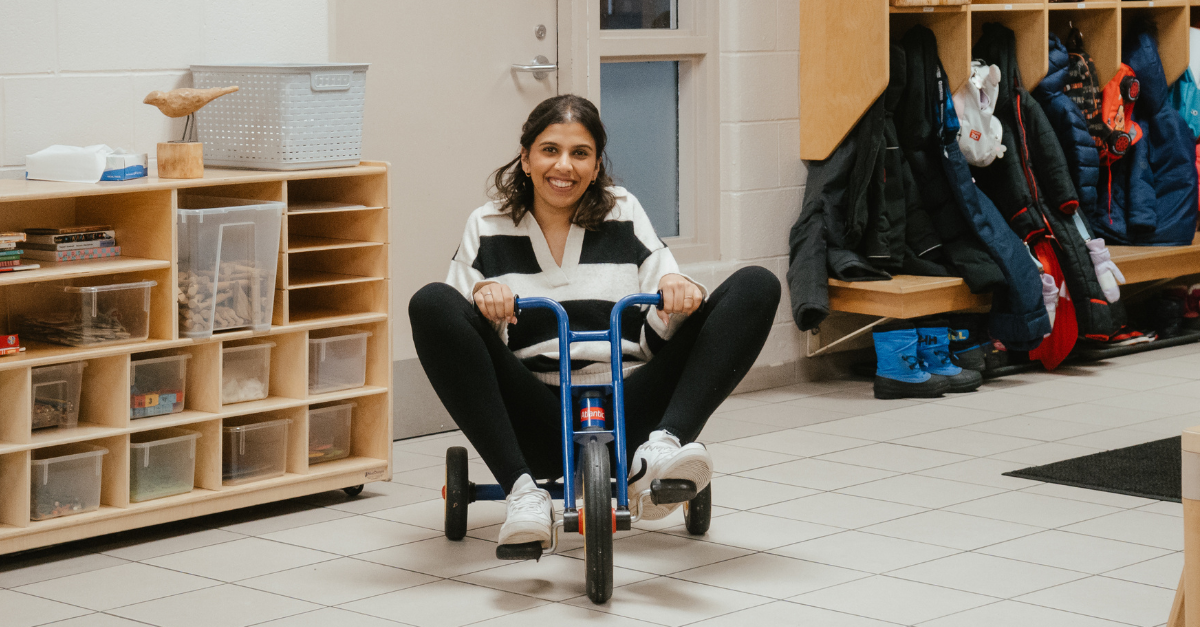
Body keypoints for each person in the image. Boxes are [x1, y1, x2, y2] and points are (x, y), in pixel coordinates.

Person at [409, 94, 780, 547]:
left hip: (629, 405)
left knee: (757, 284)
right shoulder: (487, 224)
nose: (564, 166)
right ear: (525, 158)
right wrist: (486, 299)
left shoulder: (622, 211)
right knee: (431, 302)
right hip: (538, 412)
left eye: (579, 154)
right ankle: (523, 493)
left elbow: (660, 316)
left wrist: (677, 296)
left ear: (596, 165)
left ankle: (660, 448)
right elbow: (461, 324)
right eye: (550, 150)